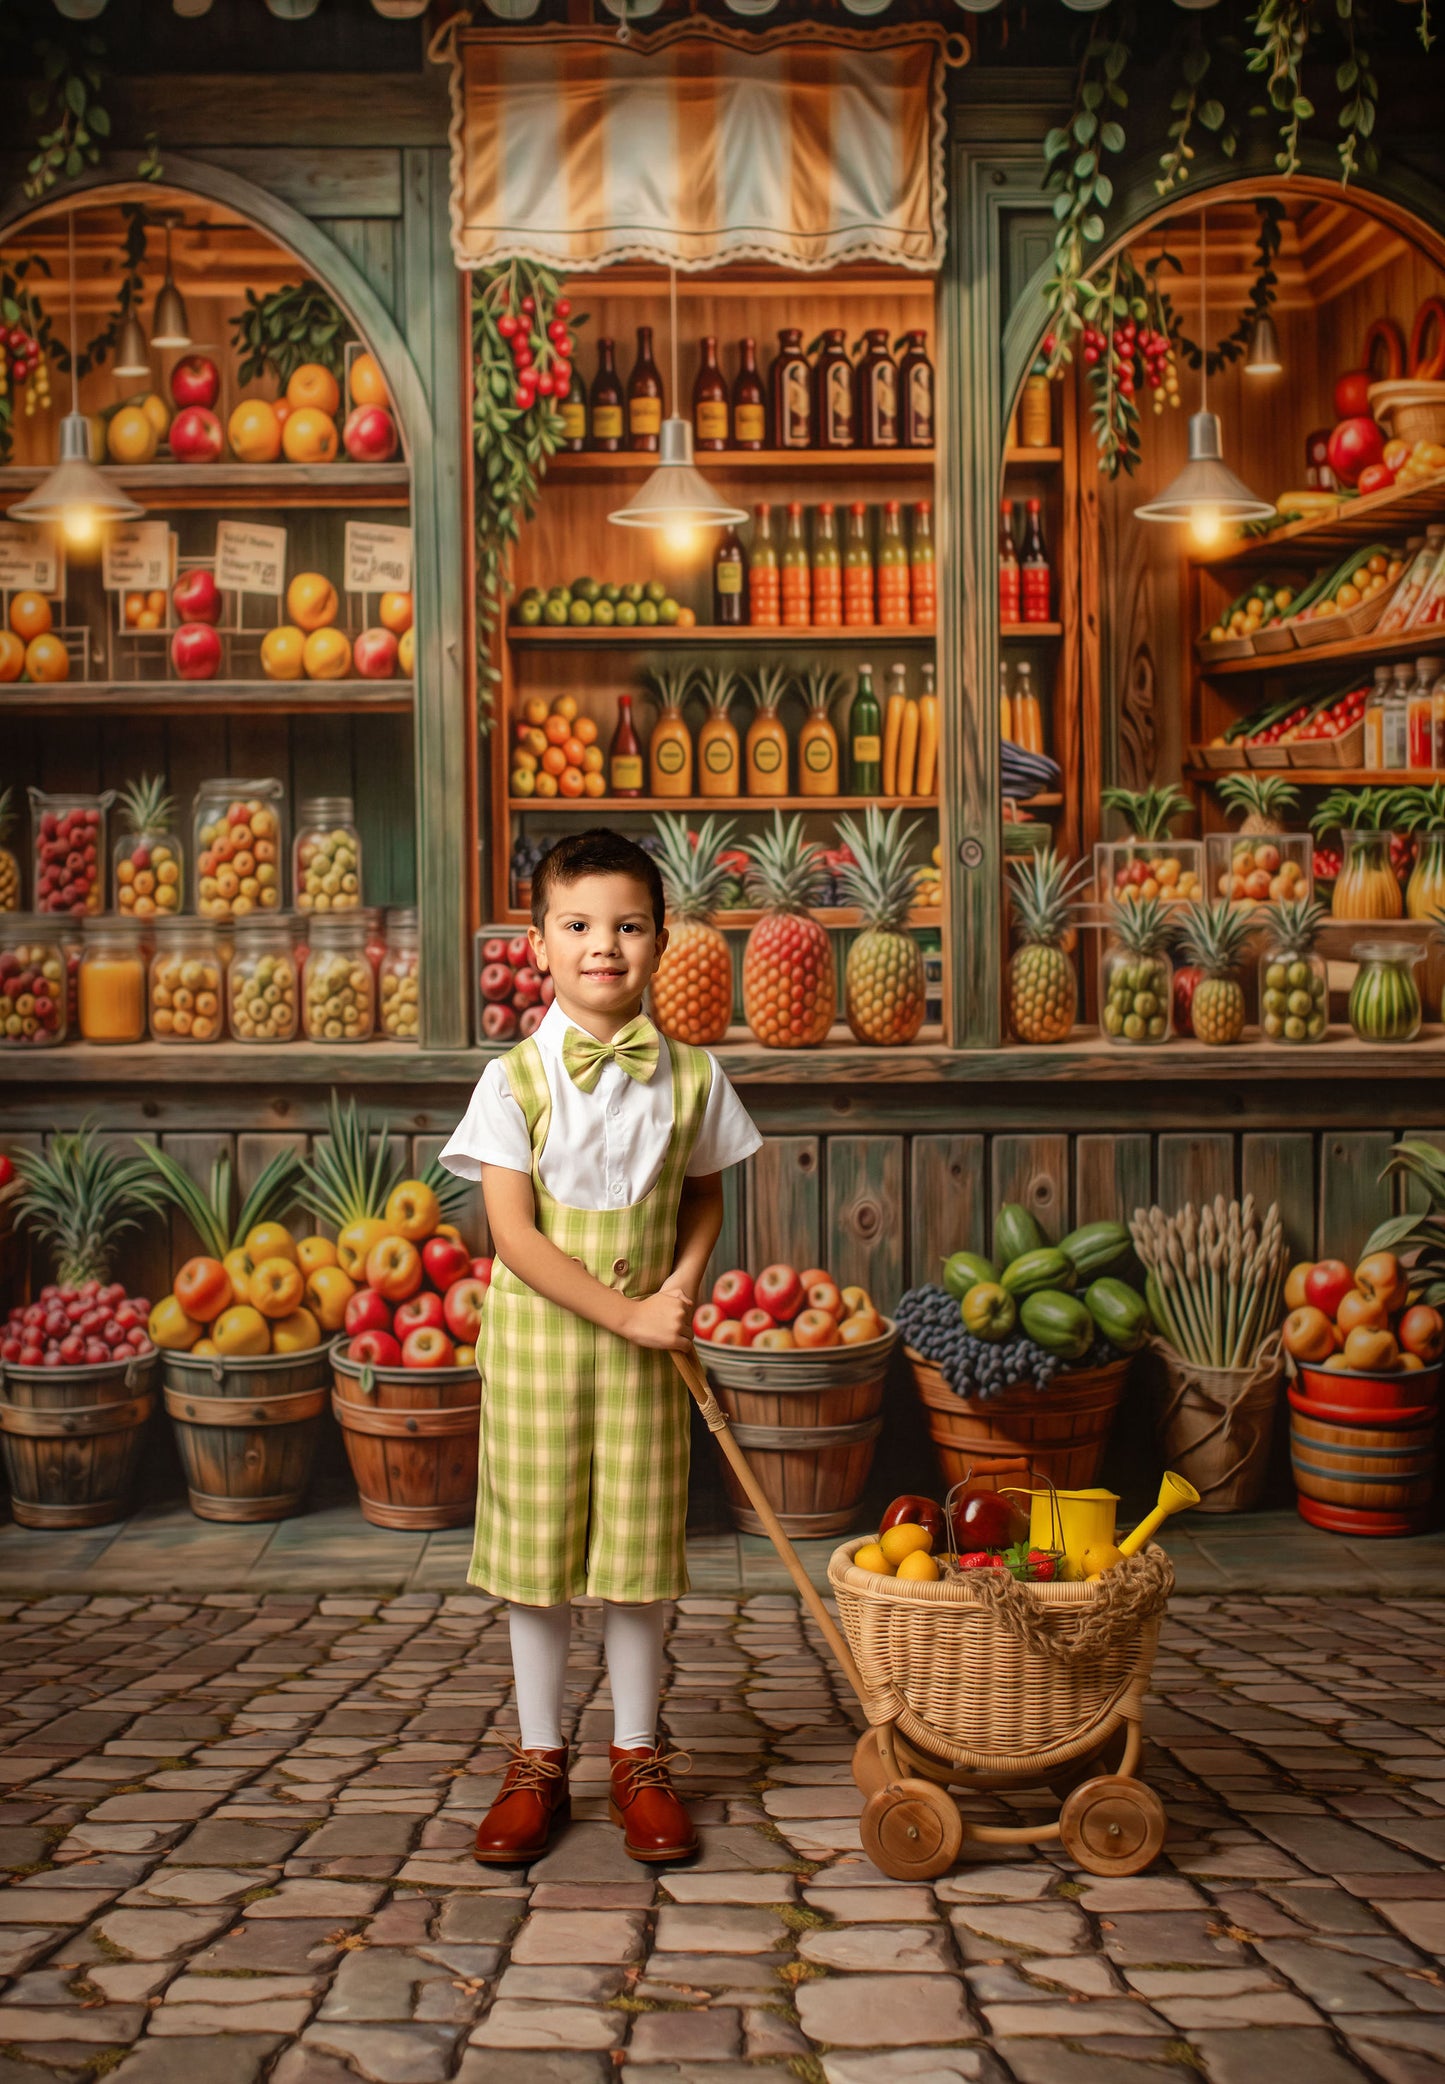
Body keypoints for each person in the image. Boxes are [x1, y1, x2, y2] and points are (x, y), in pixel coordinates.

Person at [441, 827, 761, 1864]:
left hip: (642, 1363)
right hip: (541, 1353)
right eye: (577, 925)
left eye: (627, 925)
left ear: (661, 940)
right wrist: (622, 1311)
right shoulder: (511, 1080)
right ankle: (538, 1757)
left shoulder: (695, 1077)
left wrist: (677, 1282)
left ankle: (637, 1753)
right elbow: (512, 1236)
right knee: (536, 1563)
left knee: (634, 1561)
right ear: (537, 943)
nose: (603, 946)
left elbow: (704, 1196)